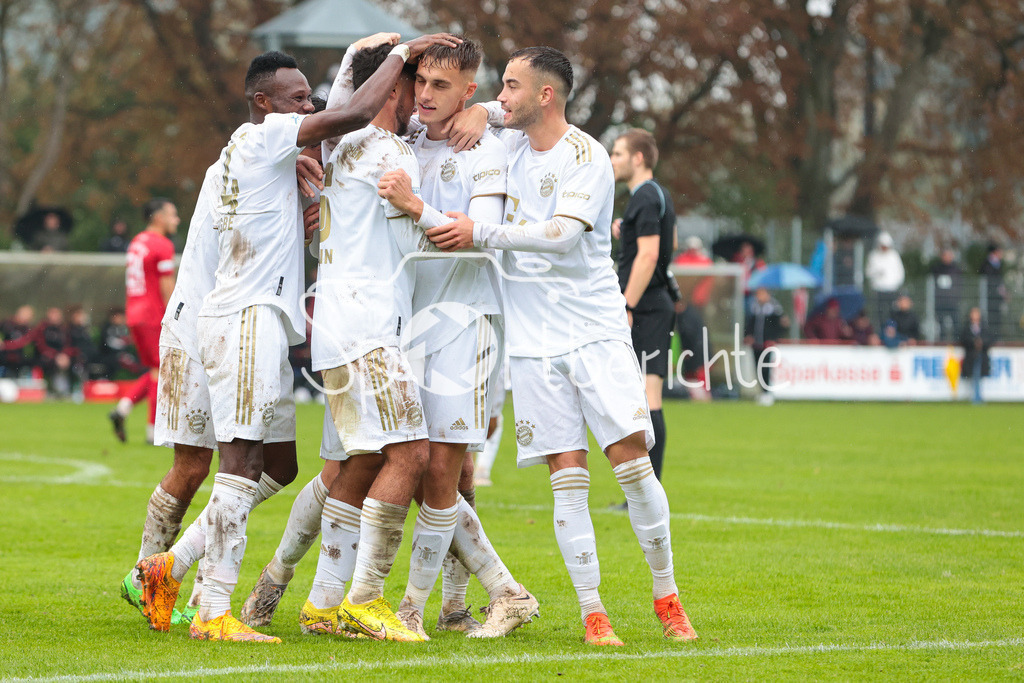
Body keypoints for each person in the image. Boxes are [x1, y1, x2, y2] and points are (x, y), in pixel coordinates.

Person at [137, 38, 457, 644]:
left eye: (310, 95)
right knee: (236, 461)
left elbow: (338, 120)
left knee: (278, 466)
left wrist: (306, 202)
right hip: (246, 317)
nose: (307, 105)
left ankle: (167, 568)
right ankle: (212, 610)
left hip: (269, 320)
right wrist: (402, 53)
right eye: (294, 99)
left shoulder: (276, 154)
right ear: (262, 103)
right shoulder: (261, 138)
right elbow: (353, 112)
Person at [426, 46, 698, 646]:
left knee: (631, 468)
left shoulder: (589, 157)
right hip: (531, 345)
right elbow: (457, 119)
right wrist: (482, 115)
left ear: (545, 95)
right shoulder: (506, 143)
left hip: (594, 333)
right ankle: (593, 612)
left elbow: (559, 237)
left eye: (512, 85)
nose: (501, 94)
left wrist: (482, 232)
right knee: (565, 476)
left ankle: (667, 594)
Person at [376, 36, 538, 639]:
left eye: (441, 86)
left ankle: (415, 607)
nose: (424, 94)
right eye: (421, 82)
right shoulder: (410, 137)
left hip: (467, 323)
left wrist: (415, 206)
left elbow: (473, 234)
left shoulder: (488, 149)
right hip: (411, 322)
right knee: (433, 472)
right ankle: (474, 600)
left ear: (469, 90)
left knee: (442, 469)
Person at [609, 127, 676, 482]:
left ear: (638, 158)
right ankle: (646, 491)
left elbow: (649, 255)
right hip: (654, 305)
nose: (612, 160)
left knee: (649, 400)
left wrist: (627, 305)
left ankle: (651, 491)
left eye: (617, 153)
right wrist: (627, 228)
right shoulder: (657, 195)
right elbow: (670, 241)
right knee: (640, 400)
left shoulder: (645, 197)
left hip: (645, 309)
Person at [108, 198, 179, 443]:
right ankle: (153, 431)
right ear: (158, 217)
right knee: (162, 370)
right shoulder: (162, 244)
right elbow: (166, 284)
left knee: (155, 370)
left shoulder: (137, 241)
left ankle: (122, 409)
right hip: (153, 314)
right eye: (172, 215)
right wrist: (176, 314)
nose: (176, 220)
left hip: (134, 313)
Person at [744, 287, 788, 406]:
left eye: (761, 293)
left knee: (766, 368)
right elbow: (749, 324)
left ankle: (767, 393)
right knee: (758, 368)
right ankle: (763, 392)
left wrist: (773, 339)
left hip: (767, 344)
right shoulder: (754, 307)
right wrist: (748, 335)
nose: (758, 296)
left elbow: (781, 325)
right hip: (756, 344)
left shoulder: (774, 308)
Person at [865, 232, 904, 328]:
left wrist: (895, 284)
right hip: (878, 290)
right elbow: (868, 272)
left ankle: (891, 331)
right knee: (879, 314)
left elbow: (900, 273)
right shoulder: (874, 256)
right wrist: (877, 273)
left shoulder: (894, 256)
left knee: (892, 313)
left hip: (891, 289)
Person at [959, 307, 992, 404]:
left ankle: (977, 397)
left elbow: (989, 339)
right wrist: (974, 342)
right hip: (971, 356)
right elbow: (964, 339)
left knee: (978, 376)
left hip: (981, 355)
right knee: (974, 376)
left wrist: (982, 343)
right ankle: (976, 397)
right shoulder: (967, 327)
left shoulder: (984, 327)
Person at [930, 247, 962, 341]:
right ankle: (941, 342)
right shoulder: (937, 268)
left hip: (953, 302)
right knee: (941, 326)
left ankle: (957, 342)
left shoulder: (956, 269)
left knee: (956, 324)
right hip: (940, 302)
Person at [672, 236, 713, 308]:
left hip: (700, 299)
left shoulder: (705, 261)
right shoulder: (681, 259)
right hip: (685, 298)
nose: (693, 251)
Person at [0, 305, 37, 379]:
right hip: (3, 357)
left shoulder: (30, 329)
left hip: (19, 359)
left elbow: (21, 343)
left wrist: (4, 345)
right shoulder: (6, 323)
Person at [979, 243, 1007, 339]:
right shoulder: (987, 265)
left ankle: (996, 337)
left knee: (997, 320)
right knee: (991, 319)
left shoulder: (998, 265)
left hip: (996, 298)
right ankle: (991, 338)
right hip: (990, 298)